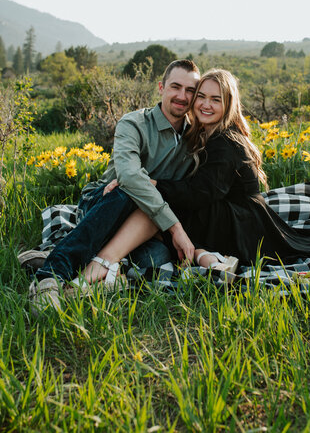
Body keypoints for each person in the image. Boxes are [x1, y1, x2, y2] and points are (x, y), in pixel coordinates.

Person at [71, 69, 310, 289]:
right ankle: (204, 256)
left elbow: (200, 193)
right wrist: (139, 183)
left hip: (238, 223)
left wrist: (150, 185)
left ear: (228, 104)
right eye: (201, 96)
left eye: (216, 99)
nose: (206, 104)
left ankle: (101, 264)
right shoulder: (210, 134)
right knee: (156, 209)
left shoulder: (224, 141)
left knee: (154, 210)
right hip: (236, 215)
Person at [29, 59, 200, 313]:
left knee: (156, 259)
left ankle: (78, 255)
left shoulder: (195, 137)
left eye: (190, 91)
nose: (182, 96)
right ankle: (49, 276)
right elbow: (130, 178)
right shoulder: (134, 123)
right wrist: (174, 228)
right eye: (176, 87)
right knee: (126, 191)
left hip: (145, 222)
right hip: (105, 202)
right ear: (161, 87)